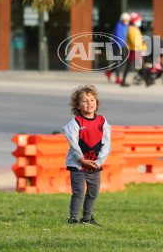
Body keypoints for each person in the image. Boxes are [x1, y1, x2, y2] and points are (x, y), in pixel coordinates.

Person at [62, 84, 112, 226]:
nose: (89, 103)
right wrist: (82, 160)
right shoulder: (75, 123)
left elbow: (107, 143)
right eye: (84, 101)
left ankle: (87, 219)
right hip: (78, 165)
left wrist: (99, 161)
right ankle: (73, 219)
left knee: (93, 193)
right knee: (78, 192)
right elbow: (73, 143)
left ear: (96, 104)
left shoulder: (102, 121)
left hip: (95, 165)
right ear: (77, 106)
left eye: (92, 100)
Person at [120, 12, 150, 87]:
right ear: (134, 21)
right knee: (129, 66)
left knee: (140, 66)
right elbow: (134, 41)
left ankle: (147, 82)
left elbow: (138, 39)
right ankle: (123, 81)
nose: (140, 22)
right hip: (134, 50)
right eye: (139, 20)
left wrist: (143, 46)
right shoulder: (131, 29)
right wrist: (142, 46)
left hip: (137, 50)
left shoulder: (135, 29)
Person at [105, 12, 130, 84]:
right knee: (118, 61)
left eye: (128, 20)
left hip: (122, 46)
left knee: (122, 61)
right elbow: (119, 37)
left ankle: (109, 72)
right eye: (126, 20)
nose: (127, 21)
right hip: (116, 45)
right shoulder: (119, 26)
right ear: (122, 20)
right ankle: (117, 78)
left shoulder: (127, 26)